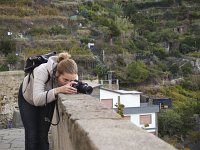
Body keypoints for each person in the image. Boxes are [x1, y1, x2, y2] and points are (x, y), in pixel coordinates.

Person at [18, 52, 78, 150]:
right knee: (32, 136)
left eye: (72, 80)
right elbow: (37, 100)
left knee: (43, 135)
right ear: (57, 74)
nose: (68, 83)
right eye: (65, 80)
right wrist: (59, 90)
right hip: (28, 98)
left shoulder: (71, 75)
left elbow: (71, 82)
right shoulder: (42, 71)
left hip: (47, 98)